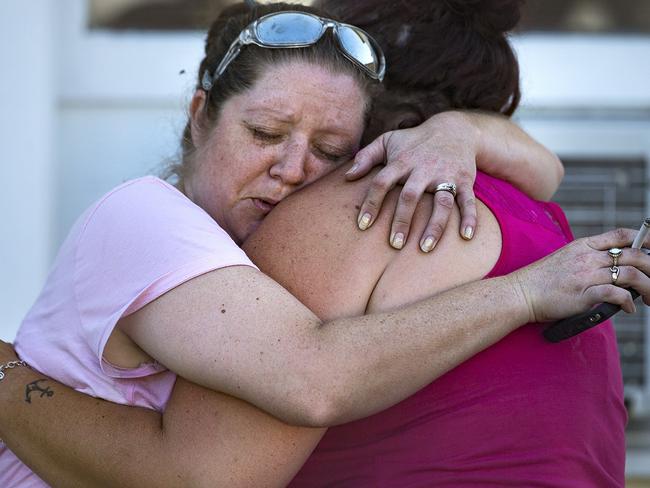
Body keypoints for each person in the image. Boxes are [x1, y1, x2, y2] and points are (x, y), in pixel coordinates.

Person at [0, 2, 648, 487]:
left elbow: (547, 167)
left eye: (332, 152)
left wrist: (456, 132)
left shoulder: (257, 242)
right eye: (263, 131)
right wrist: (524, 292)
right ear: (199, 115)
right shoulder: (145, 215)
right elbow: (311, 377)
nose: (293, 169)